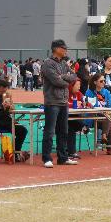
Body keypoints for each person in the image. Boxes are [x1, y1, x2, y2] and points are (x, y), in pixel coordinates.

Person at [41, 40, 78, 168]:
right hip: (52, 102)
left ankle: (63, 157)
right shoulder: (48, 63)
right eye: (64, 48)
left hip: (63, 102)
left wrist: (63, 77)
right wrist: (66, 79)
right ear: (56, 49)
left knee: (63, 131)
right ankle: (46, 158)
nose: (66, 50)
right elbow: (56, 81)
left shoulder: (63, 63)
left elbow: (74, 76)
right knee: (49, 131)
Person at [85, 72, 111, 153]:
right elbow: (88, 106)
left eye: (104, 81)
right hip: (92, 117)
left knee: (107, 118)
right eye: (101, 81)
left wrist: (107, 111)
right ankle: (109, 146)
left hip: (103, 118)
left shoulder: (107, 92)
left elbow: (109, 106)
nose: (104, 82)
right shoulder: (89, 92)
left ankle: (104, 136)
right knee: (107, 119)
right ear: (95, 82)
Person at [66, 79, 85, 160]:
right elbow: (64, 104)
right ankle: (84, 126)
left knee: (71, 125)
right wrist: (73, 104)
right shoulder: (65, 93)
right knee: (70, 126)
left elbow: (86, 101)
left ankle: (70, 151)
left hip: (73, 118)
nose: (79, 87)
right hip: (61, 118)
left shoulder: (78, 93)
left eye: (80, 85)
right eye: (77, 85)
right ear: (71, 86)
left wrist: (84, 103)